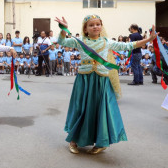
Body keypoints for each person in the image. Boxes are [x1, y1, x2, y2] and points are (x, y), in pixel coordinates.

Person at [55, 15, 157, 155]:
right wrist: (63, 29)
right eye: (91, 25)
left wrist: (149, 40)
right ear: (85, 29)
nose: (95, 27)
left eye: (98, 24)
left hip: (101, 81)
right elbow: (61, 41)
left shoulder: (107, 41)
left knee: (100, 111)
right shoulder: (80, 41)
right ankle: (73, 140)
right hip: (84, 80)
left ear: (101, 26)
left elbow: (128, 45)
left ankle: (101, 142)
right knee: (80, 109)